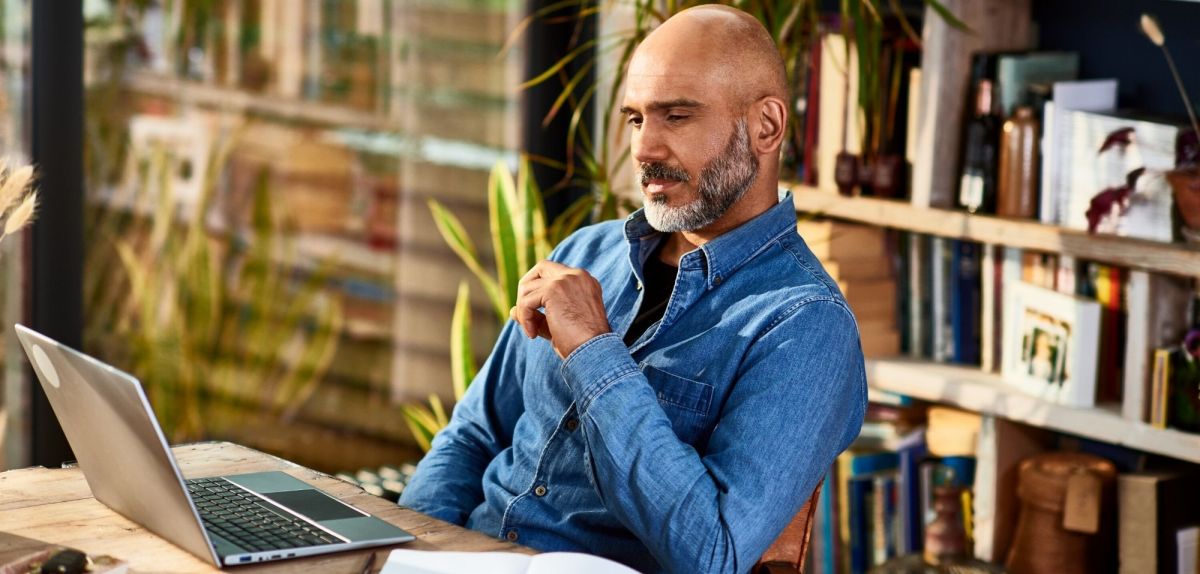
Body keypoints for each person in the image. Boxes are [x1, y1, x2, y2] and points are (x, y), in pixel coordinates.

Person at [399, 5, 867, 573]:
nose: (644, 150)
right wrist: (416, 550)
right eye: (636, 119)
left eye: (676, 117)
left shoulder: (805, 325)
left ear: (766, 126)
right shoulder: (584, 253)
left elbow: (712, 554)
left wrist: (594, 351)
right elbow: (472, 436)